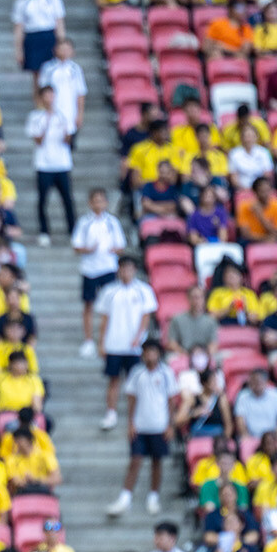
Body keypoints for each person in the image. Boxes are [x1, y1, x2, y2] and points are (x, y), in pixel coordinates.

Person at [112, 338, 175, 517]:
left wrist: (170, 425)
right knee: (135, 461)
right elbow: (132, 399)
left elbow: (171, 400)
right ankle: (125, 497)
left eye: (153, 351)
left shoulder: (166, 373)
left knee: (157, 462)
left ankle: (153, 496)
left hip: (159, 425)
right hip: (140, 426)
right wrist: (131, 422)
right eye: (147, 351)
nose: (150, 355)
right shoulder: (136, 373)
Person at [96, 260, 158, 433]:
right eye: (123, 269)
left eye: (129, 269)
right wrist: (102, 343)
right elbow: (104, 319)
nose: (126, 272)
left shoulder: (143, 290)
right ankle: (111, 412)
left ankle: (137, 415)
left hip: (135, 346)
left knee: (138, 381)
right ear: (118, 270)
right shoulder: (109, 291)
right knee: (113, 380)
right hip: (114, 344)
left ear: (135, 270)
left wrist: (138, 338)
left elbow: (146, 316)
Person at [73, 188, 128, 358]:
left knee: (111, 305)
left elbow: (121, 246)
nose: (98, 204)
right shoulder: (84, 222)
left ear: (106, 203)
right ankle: (89, 340)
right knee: (88, 305)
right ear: (90, 203)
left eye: (101, 200)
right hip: (89, 269)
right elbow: (77, 246)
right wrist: (88, 249)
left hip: (108, 269)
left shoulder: (112, 222)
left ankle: (108, 338)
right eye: (95, 200)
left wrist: (113, 250)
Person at [27, 86, 74, 245]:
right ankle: (44, 231)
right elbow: (38, 140)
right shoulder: (35, 116)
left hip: (62, 163)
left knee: (67, 199)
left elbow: (68, 140)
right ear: (41, 98)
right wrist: (46, 122)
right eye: (46, 96)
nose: (49, 99)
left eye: (51, 95)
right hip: (43, 164)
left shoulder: (63, 115)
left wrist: (66, 131)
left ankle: (72, 230)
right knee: (42, 200)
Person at [11, 0, 65, 75]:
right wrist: (18, 50)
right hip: (32, 37)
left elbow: (59, 23)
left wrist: (61, 42)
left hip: (49, 35)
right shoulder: (21, 1)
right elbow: (18, 28)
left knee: (53, 71)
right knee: (37, 73)